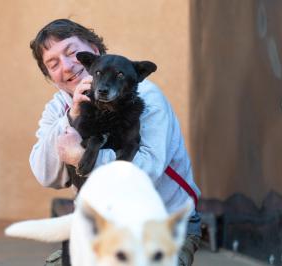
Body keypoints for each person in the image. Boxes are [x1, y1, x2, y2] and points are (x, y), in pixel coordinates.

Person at [29, 18, 201, 266]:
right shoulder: (58, 108)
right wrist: (72, 115)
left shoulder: (145, 98)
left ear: (94, 51)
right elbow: (46, 175)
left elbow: (148, 170)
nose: (67, 66)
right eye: (53, 64)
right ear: (49, 75)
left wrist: (82, 157)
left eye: (71, 53)